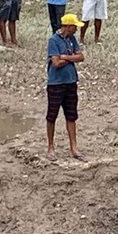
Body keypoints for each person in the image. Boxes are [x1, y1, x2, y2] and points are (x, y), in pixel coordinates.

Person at [46, 13, 86, 161]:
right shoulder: (53, 40)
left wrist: (65, 57)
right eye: (74, 26)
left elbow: (80, 57)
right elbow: (56, 63)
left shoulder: (71, 39)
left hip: (70, 82)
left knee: (71, 115)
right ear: (68, 26)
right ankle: (50, 147)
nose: (76, 29)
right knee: (52, 115)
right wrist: (71, 58)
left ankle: (74, 147)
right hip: (56, 83)